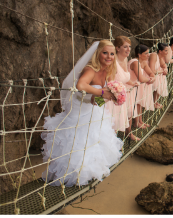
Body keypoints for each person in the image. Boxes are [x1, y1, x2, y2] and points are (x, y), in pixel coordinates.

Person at [41, 40, 123, 187]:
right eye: (105, 53)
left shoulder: (109, 71)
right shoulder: (91, 69)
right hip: (80, 110)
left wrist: (110, 96)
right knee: (78, 141)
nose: (109, 57)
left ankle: (88, 173)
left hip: (93, 109)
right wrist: (102, 92)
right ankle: (73, 174)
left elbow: (97, 99)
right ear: (98, 53)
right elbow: (81, 86)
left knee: (94, 140)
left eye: (111, 54)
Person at [112, 35, 139, 140]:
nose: (129, 49)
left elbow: (124, 77)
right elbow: (108, 81)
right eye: (125, 47)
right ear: (117, 48)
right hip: (114, 96)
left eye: (130, 46)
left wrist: (132, 83)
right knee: (114, 121)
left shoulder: (125, 59)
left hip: (124, 92)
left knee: (127, 114)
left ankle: (128, 134)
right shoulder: (113, 62)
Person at [129, 45, 154, 128]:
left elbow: (150, 73)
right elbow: (141, 78)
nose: (148, 55)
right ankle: (136, 123)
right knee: (135, 103)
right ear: (139, 54)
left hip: (139, 86)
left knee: (139, 103)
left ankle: (140, 121)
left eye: (149, 53)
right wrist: (150, 80)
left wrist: (152, 77)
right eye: (146, 53)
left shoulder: (144, 62)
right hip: (132, 86)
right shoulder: (135, 62)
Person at [149, 43, 169, 109]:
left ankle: (155, 101)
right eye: (166, 50)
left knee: (160, 80)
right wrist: (162, 71)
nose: (167, 52)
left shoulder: (160, 57)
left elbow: (164, 65)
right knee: (159, 80)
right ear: (160, 51)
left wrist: (165, 69)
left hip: (153, 75)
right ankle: (152, 102)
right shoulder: (154, 55)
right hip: (147, 76)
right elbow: (152, 71)